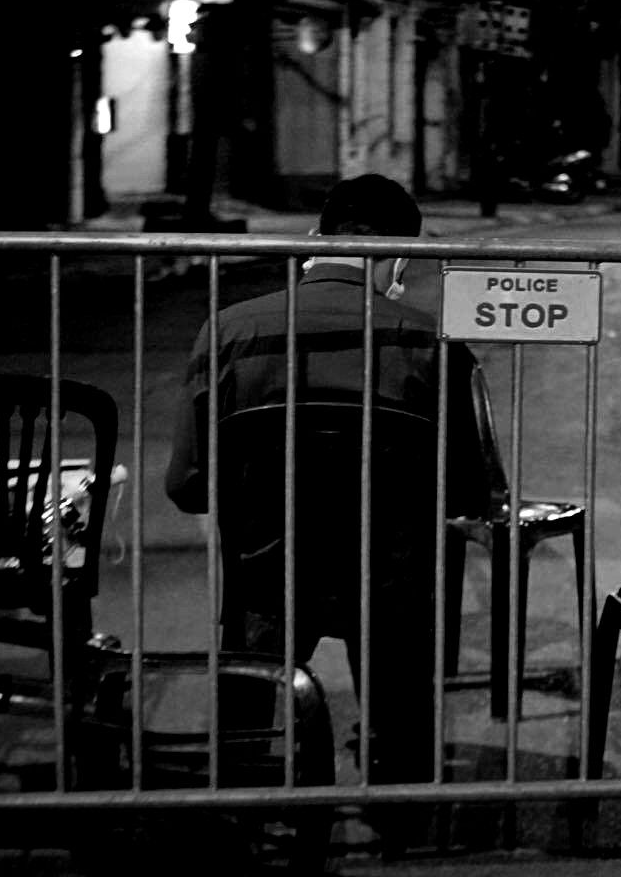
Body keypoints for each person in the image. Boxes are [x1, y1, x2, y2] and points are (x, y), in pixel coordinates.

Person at [163, 173, 493, 798]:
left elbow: (188, 485)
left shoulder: (228, 332)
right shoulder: (431, 343)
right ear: (401, 258)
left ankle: (239, 790)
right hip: (389, 580)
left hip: (269, 576)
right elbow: (469, 491)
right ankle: (400, 797)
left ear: (316, 240)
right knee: (402, 640)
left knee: (252, 651)